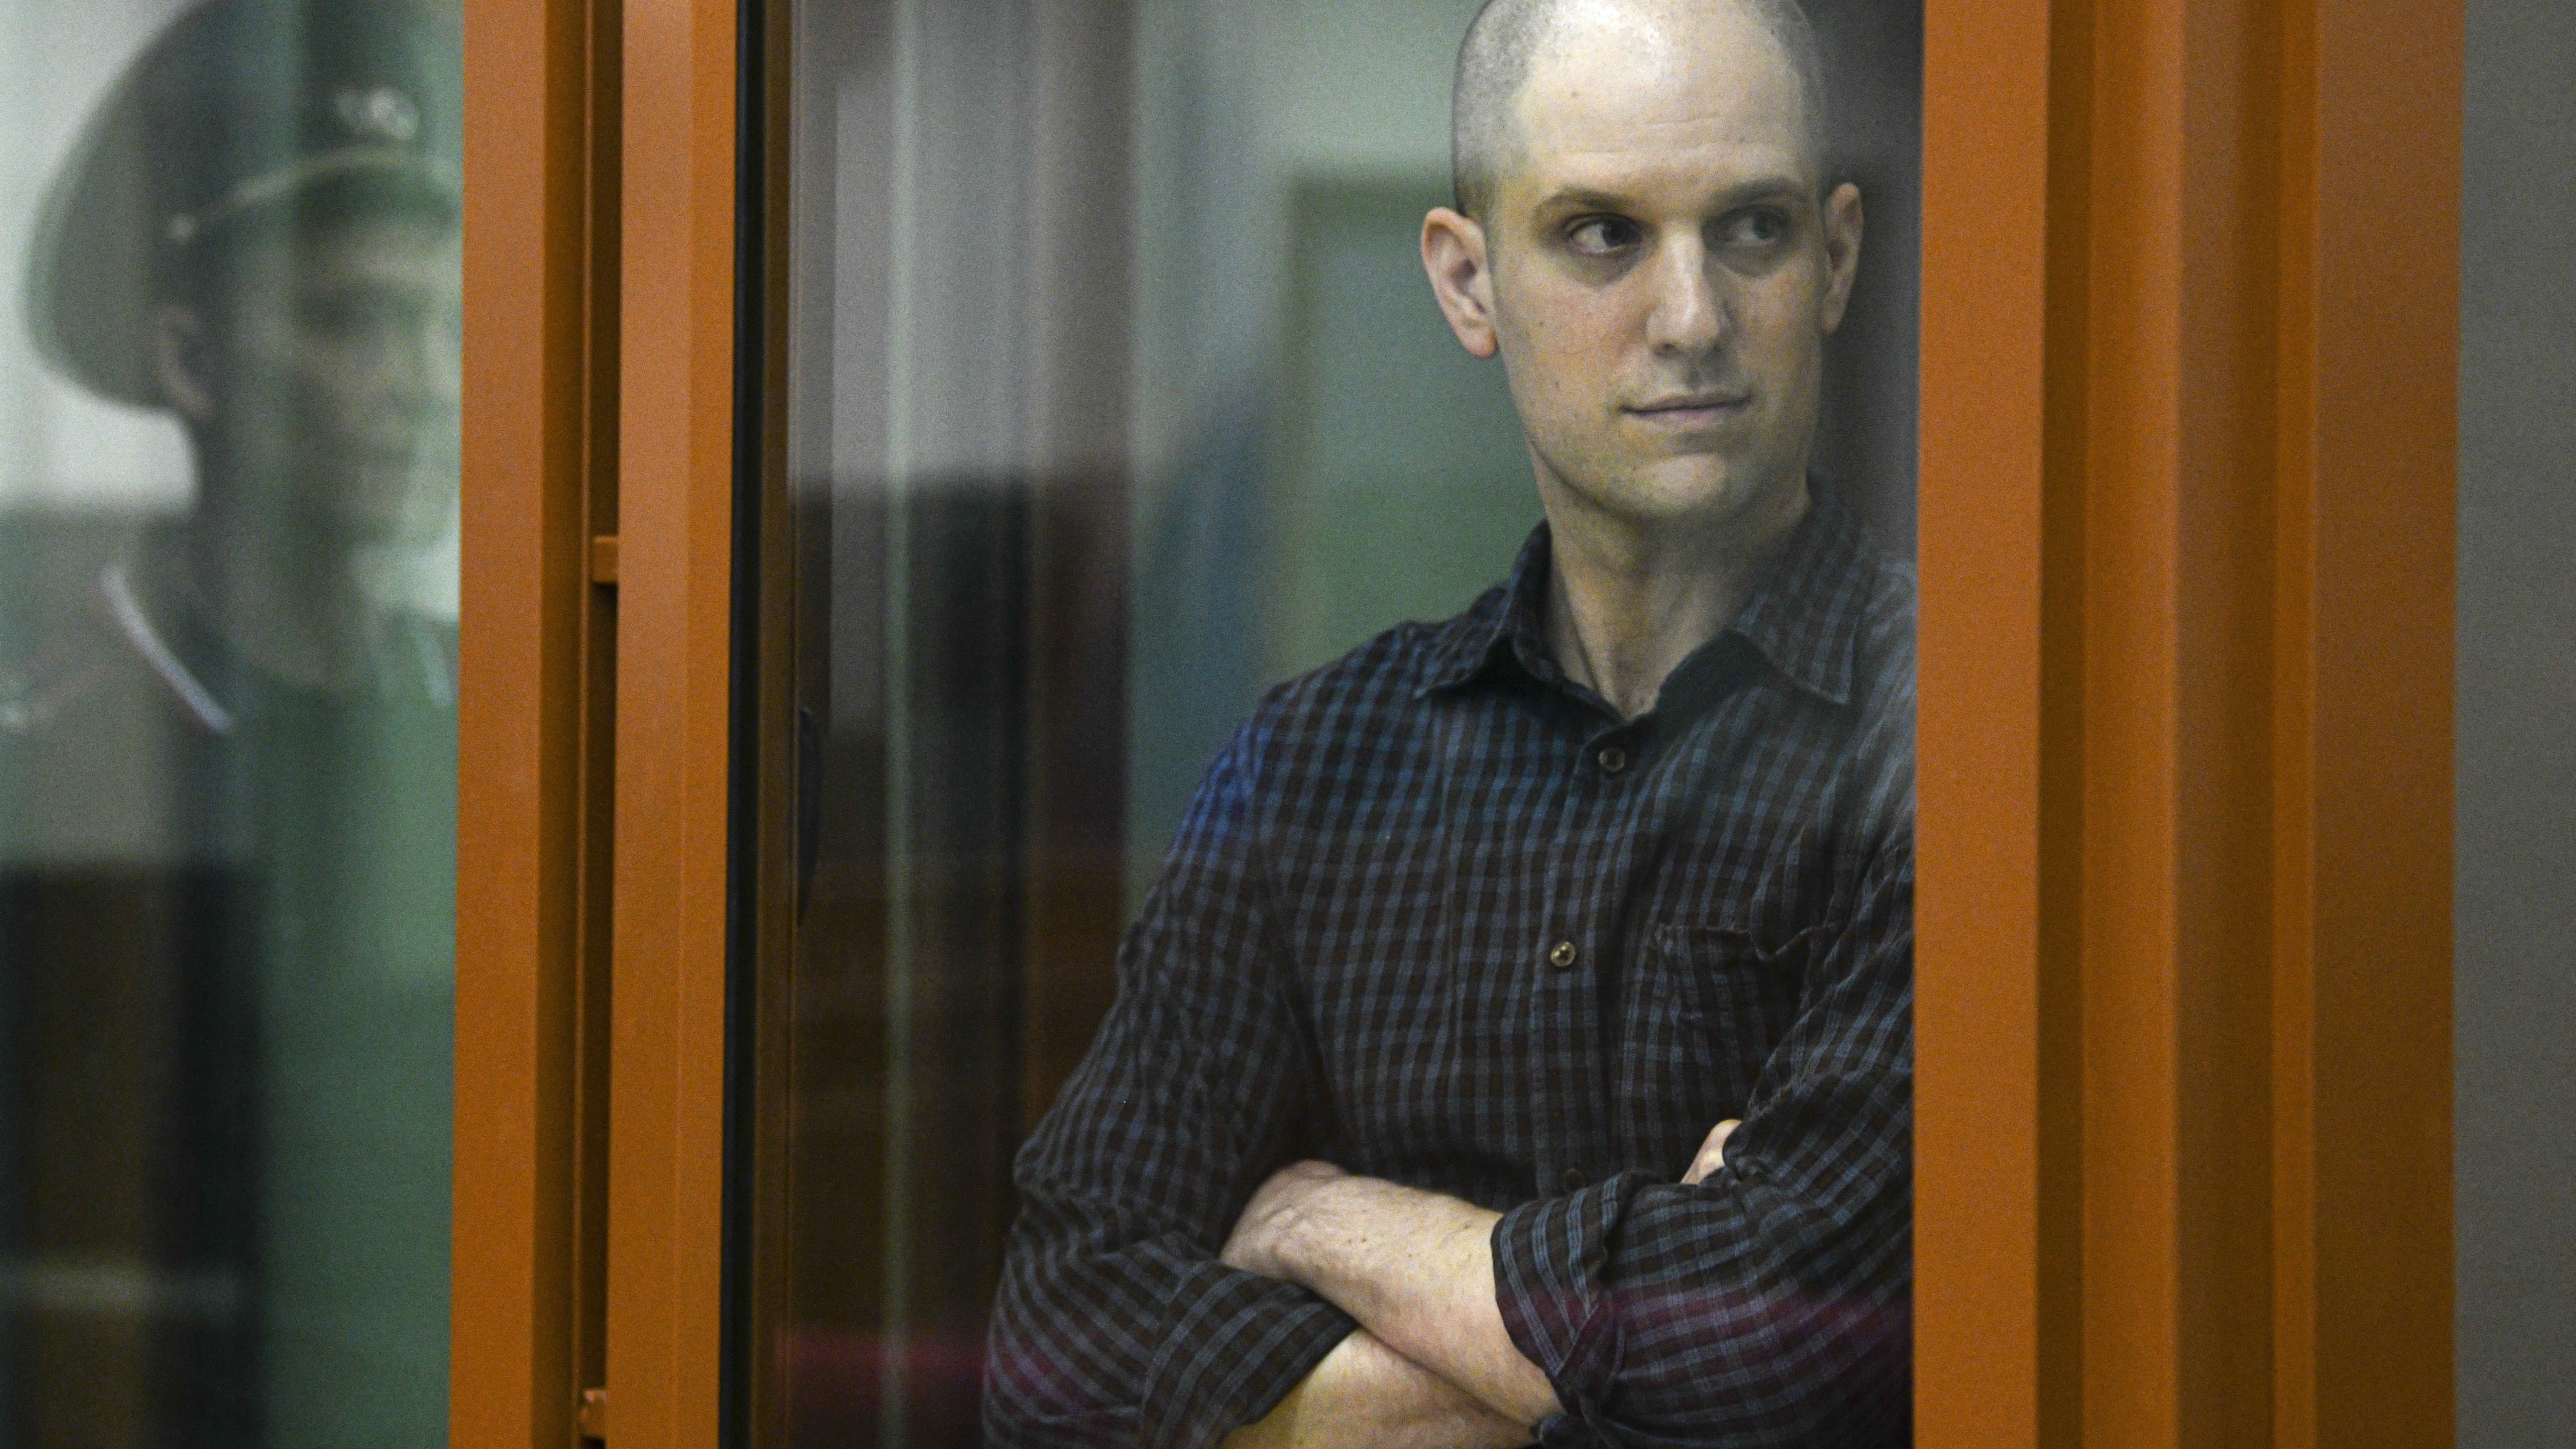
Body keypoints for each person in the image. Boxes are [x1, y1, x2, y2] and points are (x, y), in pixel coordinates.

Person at [985, 0, 1913, 1445]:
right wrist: (1605, 1339)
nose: (1692, 316)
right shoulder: (1315, 767)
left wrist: (1320, 1223)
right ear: (1468, 283)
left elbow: (1769, 1372)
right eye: (1603, 233)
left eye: (1752, 229)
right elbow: (1055, 1353)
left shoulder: (1963, 734)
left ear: (1838, 255)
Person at [0, 1, 462, 1444]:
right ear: (193, 364)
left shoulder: (503, 718)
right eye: (354, 321)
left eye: (446, 324)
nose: (429, 389)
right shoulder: (65, 758)